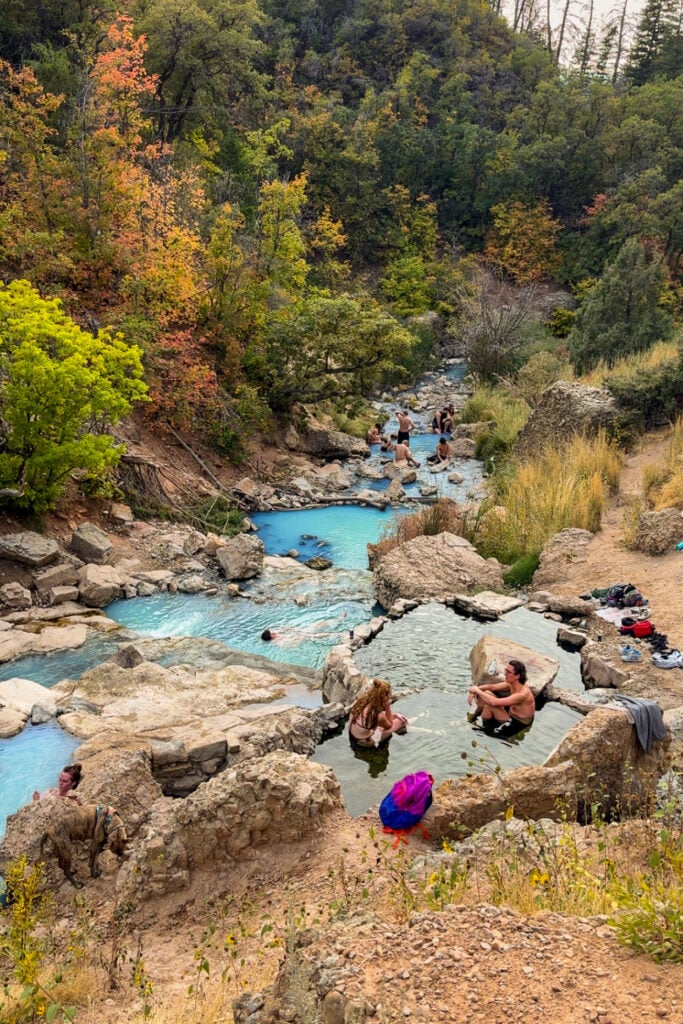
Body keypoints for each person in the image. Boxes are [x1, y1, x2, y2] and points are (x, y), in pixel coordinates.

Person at [467, 659, 535, 734]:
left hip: (517, 723)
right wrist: (473, 691)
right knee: (487, 693)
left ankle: (485, 729)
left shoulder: (522, 694)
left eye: (508, 672)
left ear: (517, 676)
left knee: (489, 705)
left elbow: (494, 702)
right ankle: (473, 717)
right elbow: (491, 687)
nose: (505, 674)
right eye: (506, 670)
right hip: (510, 715)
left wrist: (476, 690)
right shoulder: (511, 683)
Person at [349, 678, 408, 746]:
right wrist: (387, 706)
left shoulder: (361, 701)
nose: (391, 696)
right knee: (400, 721)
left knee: (386, 718)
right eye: (389, 694)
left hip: (352, 735)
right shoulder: (377, 716)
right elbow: (389, 725)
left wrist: (394, 715)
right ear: (384, 697)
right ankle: (383, 747)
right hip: (365, 742)